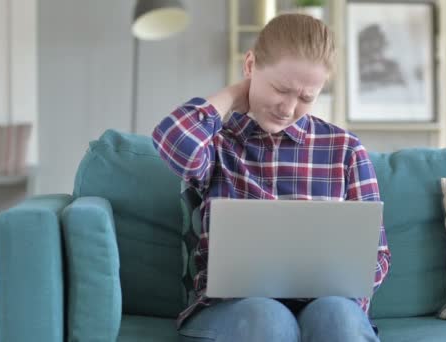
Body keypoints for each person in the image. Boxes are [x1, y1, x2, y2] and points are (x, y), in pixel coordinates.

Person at [152, 13, 390, 342]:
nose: (288, 108)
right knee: (267, 317)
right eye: (280, 88)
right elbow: (172, 140)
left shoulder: (345, 150)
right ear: (250, 66)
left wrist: (338, 287)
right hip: (233, 308)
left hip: (328, 305)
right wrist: (235, 95)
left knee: (337, 316)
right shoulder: (220, 143)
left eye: (306, 98)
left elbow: (376, 255)